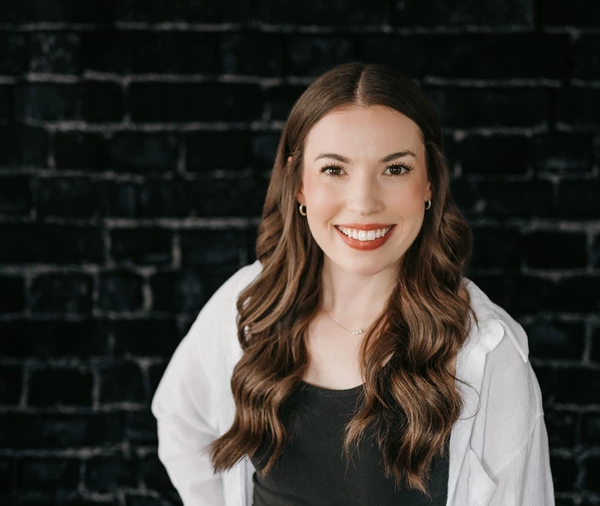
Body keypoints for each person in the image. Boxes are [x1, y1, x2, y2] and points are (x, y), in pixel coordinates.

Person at [151, 62, 555, 506]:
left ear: (430, 183)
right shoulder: (251, 303)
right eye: (334, 169)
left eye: (395, 169)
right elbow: (180, 422)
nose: (363, 202)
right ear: (299, 184)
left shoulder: (486, 350)